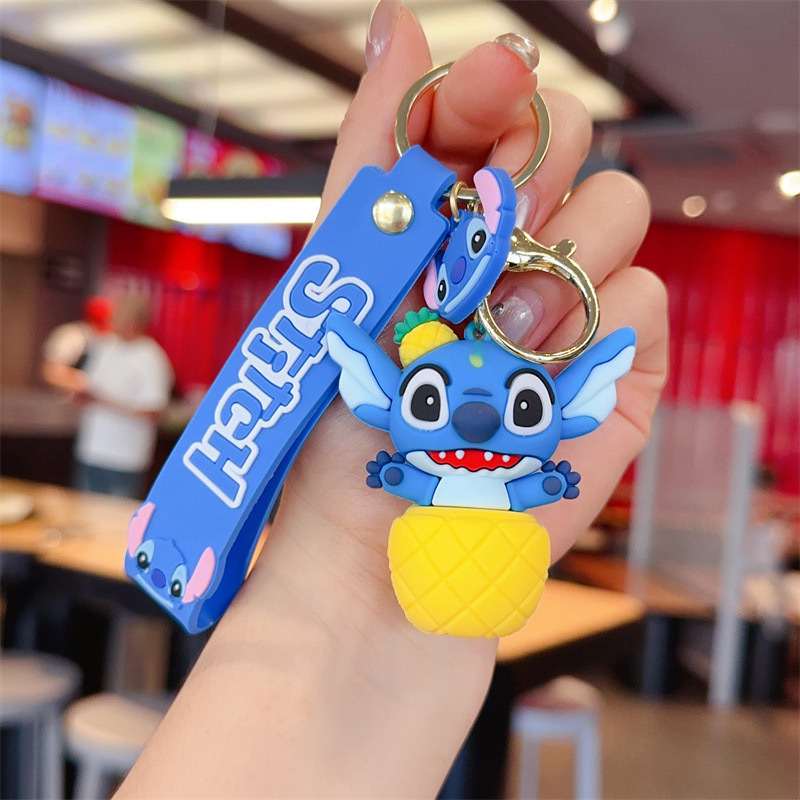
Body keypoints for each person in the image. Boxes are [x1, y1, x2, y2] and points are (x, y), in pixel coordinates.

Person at [116, 5, 668, 798]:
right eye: (435, 400)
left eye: (521, 412)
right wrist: (333, 575)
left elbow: (475, 471)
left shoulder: (460, 430)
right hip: (429, 559)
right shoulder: (398, 399)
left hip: (462, 570)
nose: (477, 420)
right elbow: (406, 456)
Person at [48, 295, 174, 499]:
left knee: (113, 514)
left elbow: (153, 411)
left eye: (118, 317)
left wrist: (104, 401)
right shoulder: (106, 347)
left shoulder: (152, 358)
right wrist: (79, 393)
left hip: (125, 459)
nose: (112, 322)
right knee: (82, 509)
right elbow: (89, 385)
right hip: (91, 450)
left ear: (134, 322)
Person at [41, 294, 113, 385]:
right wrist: (85, 383)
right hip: (67, 393)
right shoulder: (72, 335)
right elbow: (51, 372)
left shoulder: (112, 339)